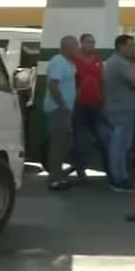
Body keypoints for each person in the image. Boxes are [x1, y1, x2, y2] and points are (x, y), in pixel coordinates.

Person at [71, 33, 111, 184]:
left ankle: (109, 170)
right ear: (82, 43)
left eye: (93, 42)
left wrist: (105, 102)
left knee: (103, 138)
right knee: (80, 141)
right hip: (79, 106)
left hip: (96, 106)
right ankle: (81, 171)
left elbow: (103, 81)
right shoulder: (74, 60)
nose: (92, 45)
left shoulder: (97, 60)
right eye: (89, 42)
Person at [103, 34, 135, 193]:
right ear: (121, 47)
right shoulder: (120, 63)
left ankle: (119, 176)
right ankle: (118, 179)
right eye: (130, 46)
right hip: (121, 109)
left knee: (120, 144)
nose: (133, 49)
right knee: (119, 145)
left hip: (118, 108)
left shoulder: (113, 62)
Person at [44, 35, 79, 191]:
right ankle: (54, 180)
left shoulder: (68, 63)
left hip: (66, 109)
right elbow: (53, 84)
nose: (77, 49)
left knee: (66, 142)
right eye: (75, 46)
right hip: (58, 109)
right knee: (58, 144)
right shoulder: (58, 61)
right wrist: (62, 104)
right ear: (66, 47)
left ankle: (59, 174)